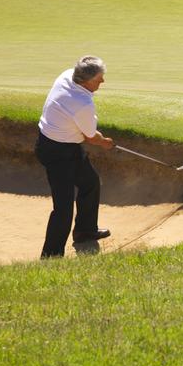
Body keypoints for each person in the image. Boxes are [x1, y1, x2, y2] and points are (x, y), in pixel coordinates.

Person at [35, 56, 115, 259]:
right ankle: (51, 256)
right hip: (56, 152)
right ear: (86, 80)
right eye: (99, 78)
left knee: (90, 182)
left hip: (62, 145)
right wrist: (105, 142)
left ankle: (85, 231)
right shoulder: (83, 103)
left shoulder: (66, 75)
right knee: (63, 208)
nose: (102, 82)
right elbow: (91, 137)